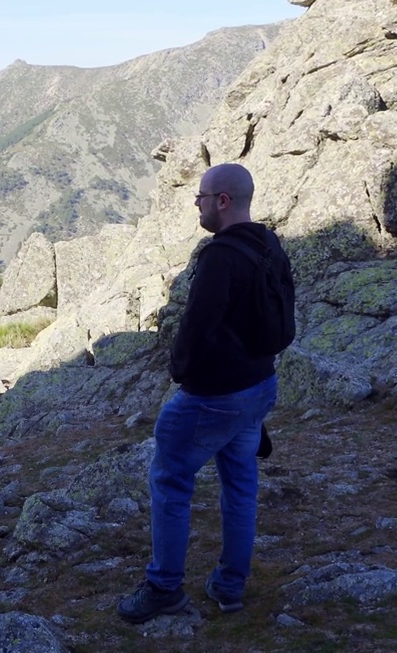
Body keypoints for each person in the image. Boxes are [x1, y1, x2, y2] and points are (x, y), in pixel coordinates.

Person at [117, 163, 291, 624]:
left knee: (171, 481)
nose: (196, 202)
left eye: (201, 196)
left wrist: (181, 373)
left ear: (223, 201)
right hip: (259, 387)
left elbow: (195, 328)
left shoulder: (219, 257)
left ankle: (163, 589)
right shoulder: (269, 245)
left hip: (213, 395)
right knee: (240, 484)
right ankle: (230, 586)